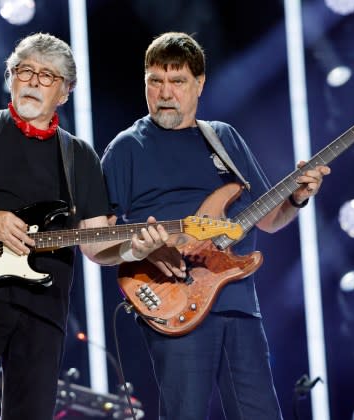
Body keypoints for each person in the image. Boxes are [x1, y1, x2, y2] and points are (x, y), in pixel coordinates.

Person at [0, 32, 168, 420]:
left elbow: (96, 245)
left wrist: (136, 249)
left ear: (65, 92)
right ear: (11, 77)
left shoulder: (79, 156)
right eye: (24, 70)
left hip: (44, 311)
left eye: (46, 75)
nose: (32, 81)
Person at [101, 32, 331, 420]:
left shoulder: (222, 138)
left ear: (199, 84)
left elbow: (270, 220)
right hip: (174, 301)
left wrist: (296, 197)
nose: (165, 92)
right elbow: (99, 241)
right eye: (154, 81)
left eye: (177, 81)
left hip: (238, 303)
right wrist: (141, 249)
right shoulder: (126, 148)